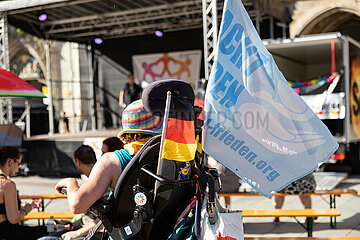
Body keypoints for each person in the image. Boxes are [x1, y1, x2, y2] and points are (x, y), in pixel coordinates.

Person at [55, 99, 162, 215]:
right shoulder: (171, 158)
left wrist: (71, 183)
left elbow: (77, 205)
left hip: (126, 231)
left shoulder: (110, 162)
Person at [39, 145, 101, 240]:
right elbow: (89, 216)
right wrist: (73, 224)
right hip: (86, 230)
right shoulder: (96, 179)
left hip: (94, 234)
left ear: (77, 161)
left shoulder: (98, 182)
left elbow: (102, 220)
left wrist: (76, 233)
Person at [0, 146, 48, 240]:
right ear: (11, 162)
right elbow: (13, 219)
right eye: (18, 164)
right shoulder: (7, 185)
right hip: (6, 233)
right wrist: (26, 209)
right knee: (46, 231)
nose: (18, 168)